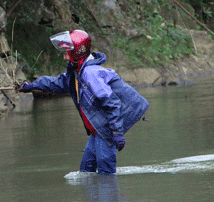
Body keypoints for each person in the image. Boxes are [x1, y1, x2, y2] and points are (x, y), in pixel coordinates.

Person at [17, 30, 149, 174]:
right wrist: (31, 86)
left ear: (77, 52)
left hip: (105, 129)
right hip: (96, 130)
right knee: (86, 172)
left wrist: (117, 132)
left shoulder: (90, 73)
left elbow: (112, 102)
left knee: (106, 174)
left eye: (67, 52)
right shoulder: (77, 72)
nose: (64, 57)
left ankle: (110, 196)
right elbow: (57, 83)